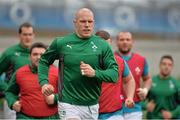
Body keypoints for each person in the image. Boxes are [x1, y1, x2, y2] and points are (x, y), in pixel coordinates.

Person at [38, 8, 118, 120]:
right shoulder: (61, 43)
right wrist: (44, 83)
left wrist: (95, 73)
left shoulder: (102, 45)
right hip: (68, 102)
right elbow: (44, 61)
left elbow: (114, 74)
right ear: (75, 22)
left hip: (92, 104)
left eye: (90, 22)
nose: (87, 25)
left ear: (93, 23)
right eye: (83, 21)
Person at [5, 42, 59, 119]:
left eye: (42, 55)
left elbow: (67, 92)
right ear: (29, 57)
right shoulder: (19, 72)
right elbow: (10, 92)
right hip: (25, 117)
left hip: (51, 117)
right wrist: (13, 102)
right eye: (35, 54)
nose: (38, 57)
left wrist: (55, 98)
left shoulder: (57, 72)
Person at [96, 30, 135, 120]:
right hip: (90, 112)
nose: (105, 48)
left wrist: (129, 97)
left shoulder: (119, 61)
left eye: (107, 45)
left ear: (110, 43)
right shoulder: (86, 61)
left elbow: (129, 80)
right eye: (101, 45)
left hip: (114, 113)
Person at [0, 22, 34, 119]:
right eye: (25, 34)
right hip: (13, 100)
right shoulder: (9, 53)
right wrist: (7, 89)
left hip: (32, 100)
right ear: (19, 35)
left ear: (33, 35)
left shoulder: (37, 54)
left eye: (30, 34)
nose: (27, 37)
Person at [115, 32, 152, 120]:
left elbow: (147, 79)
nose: (125, 42)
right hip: (114, 109)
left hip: (134, 109)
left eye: (128, 40)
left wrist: (145, 90)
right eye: (122, 39)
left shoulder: (141, 60)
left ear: (132, 42)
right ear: (116, 42)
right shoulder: (110, 58)